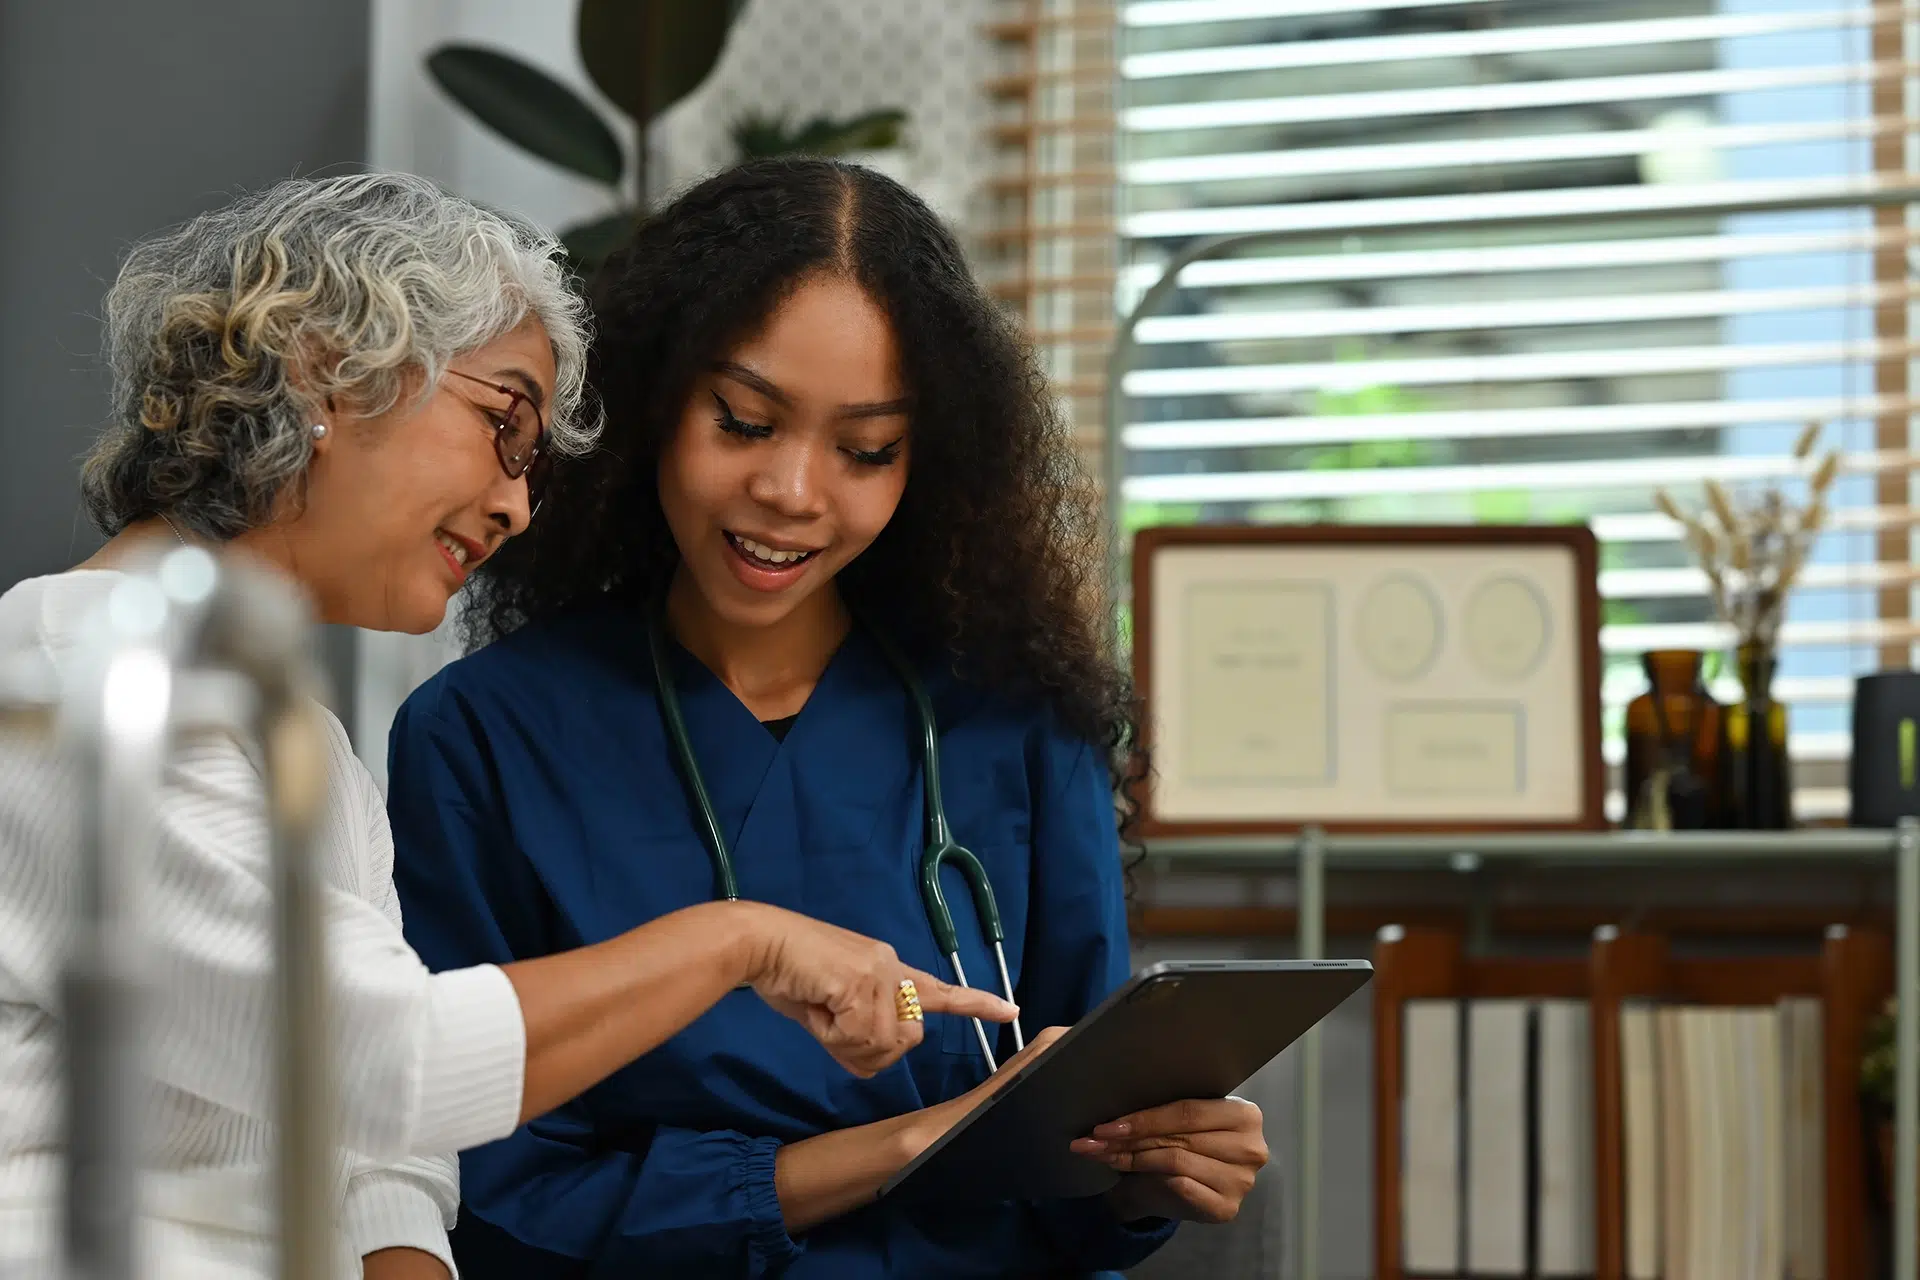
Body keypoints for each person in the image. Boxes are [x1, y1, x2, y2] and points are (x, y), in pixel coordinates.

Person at [0, 172, 1013, 1280]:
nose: (520, 504)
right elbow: (391, 1057)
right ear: (327, 368)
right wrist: (740, 939)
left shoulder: (302, 748)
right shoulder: (81, 682)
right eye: (505, 423)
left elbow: (384, 1149)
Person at [386, 157, 1269, 1279]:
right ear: (656, 401)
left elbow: (1073, 1151)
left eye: (865, 450)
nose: (794, 491)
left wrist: (1157, 1165)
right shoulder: (482, 739)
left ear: (927, 462)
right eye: (745, 421)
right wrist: (894, 1148)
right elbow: (494, 1190)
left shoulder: (1020, 726)